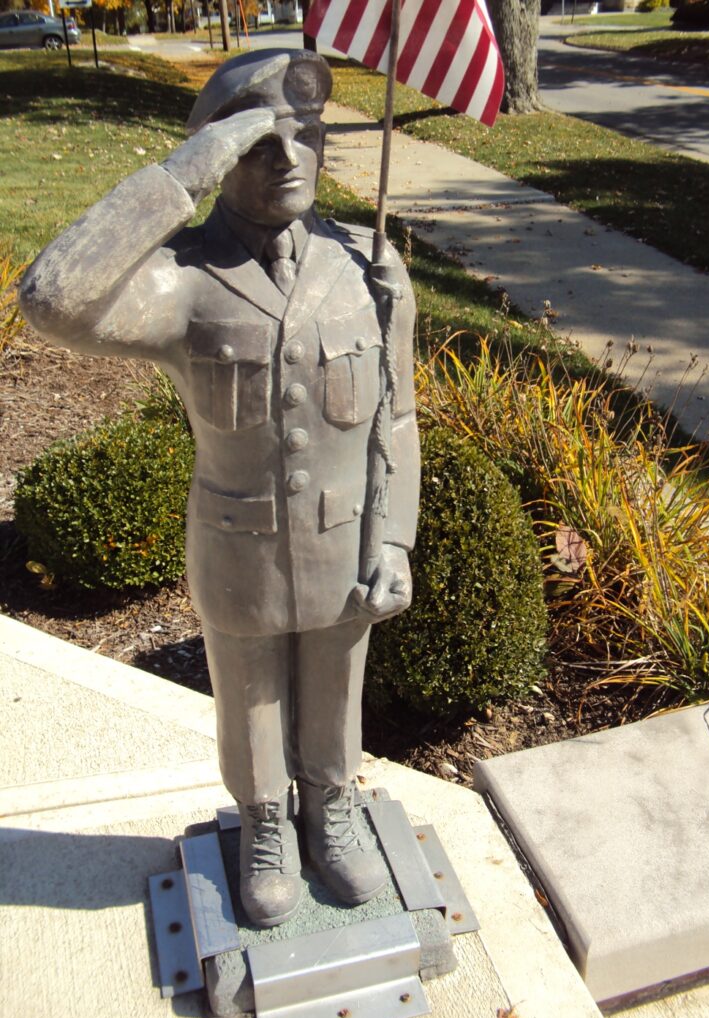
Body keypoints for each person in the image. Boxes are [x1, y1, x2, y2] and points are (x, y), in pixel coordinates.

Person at [19, 49, 419, 928]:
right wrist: (182, 173)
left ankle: (332, 807)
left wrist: (394, 543)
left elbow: (397, 419)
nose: (290, 159)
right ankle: (266, 822)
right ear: (219, 155)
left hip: (346, 540)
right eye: (259, 142)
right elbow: (52, 299)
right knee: (250, 701)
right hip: (239, 549)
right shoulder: (185, 281)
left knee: (333, 693)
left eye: (306, 136)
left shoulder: (367, 269)